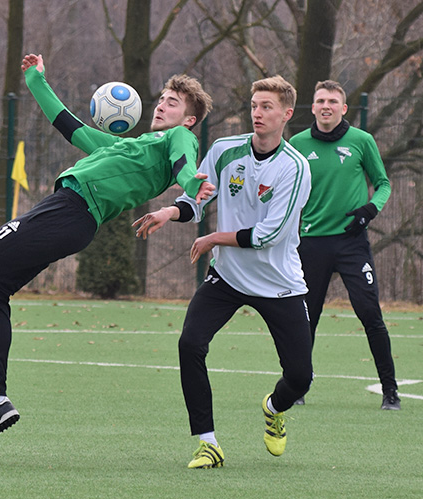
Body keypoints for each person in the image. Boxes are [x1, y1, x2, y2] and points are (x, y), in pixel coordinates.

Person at [0, 53, 214, 450]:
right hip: (68, 216)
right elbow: (72, 127)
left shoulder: (177, 137)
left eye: (174, 102)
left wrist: (192, 181)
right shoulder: (132, 145)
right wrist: (35, 80)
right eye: (163, 98)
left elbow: (185, 162)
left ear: (188, 119)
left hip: (71, 212)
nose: (163, 104)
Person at [133, 75, 313, 468]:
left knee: (300, 378)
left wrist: (215, 238)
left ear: (286, 114)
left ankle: (273, 408)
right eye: (254, 106)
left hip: (279, 284)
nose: (258, 113)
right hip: (227, 278)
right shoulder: (224, 150)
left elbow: (269, 234)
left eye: (267, 107)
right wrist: (169, 210)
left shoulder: (295, 168)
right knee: (190, 344)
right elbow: (195, 199)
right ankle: (207, 443)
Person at [288, 80, 400, 410]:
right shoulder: (297, 143)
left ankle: (390, 391)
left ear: (343, 108)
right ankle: (298, 387)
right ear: (313, 106)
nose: (326, 106)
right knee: (306, 317)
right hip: (311, 243)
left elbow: (383, 184)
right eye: (320, 100)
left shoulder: (361, 141)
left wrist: (370, 210)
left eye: (333, 101)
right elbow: (287, 188)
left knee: (370, 314)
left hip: (352, 243)